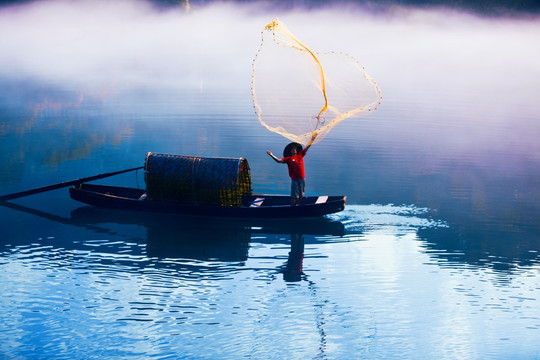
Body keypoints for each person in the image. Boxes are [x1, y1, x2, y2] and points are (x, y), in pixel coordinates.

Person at [267, 132, 317, 206]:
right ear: (290, 151)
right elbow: (278, 161)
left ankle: (298, 205)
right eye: (292, 149)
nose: (294, 150)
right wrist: (271, 155)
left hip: (302, 178)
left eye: (295, 149)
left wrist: (312, 139)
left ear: (297, 151)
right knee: (294, 195)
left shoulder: (300, 155)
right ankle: (293, 206)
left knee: (301, 194)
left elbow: (307, 147)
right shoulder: (288, 159)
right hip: (295, 179)